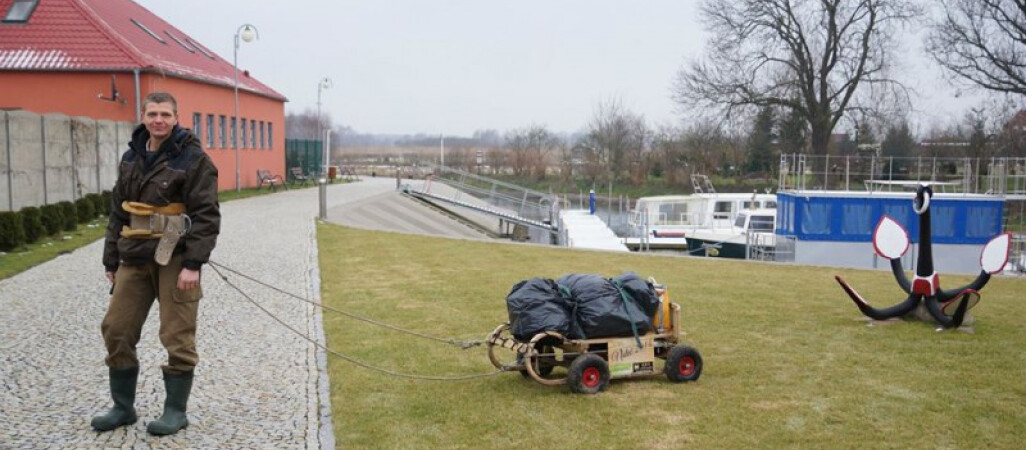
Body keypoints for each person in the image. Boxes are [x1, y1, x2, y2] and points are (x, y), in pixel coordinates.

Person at [91, 92, 220, 436]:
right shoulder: (131, 157)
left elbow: (206, 215)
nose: (158, 119)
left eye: (165, 114)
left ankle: (175, 411)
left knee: (176, 335)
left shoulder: (194, 160)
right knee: (115, 329)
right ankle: (122, 407)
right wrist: (111, 258)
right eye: (152, 113)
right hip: (133, 255)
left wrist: (194, 263)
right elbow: (118, 210)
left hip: (175, 257)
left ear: (176, 117)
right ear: (144, 116)